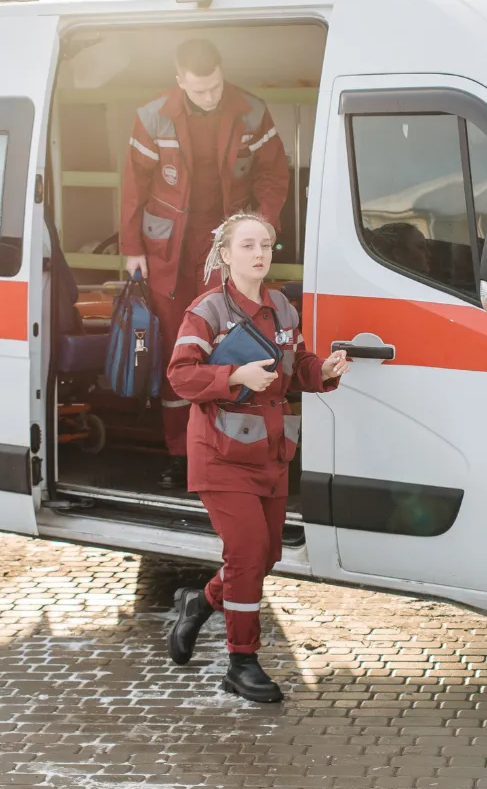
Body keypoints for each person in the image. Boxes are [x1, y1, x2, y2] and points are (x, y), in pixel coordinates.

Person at [164, 211, 349, 702]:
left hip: (270, 450)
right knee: (246, 553)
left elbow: (297, 367)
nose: (259, 253)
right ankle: (241, 661)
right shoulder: (205, 311)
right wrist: (234, 378)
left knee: (265, 555)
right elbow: (181, 376)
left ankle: (201, 603)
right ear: (225, 255)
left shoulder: (284, 308)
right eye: (247, 245)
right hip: (221, 454)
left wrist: (323, 369)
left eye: (266, 244)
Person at [119, 39, 290, 490]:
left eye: (215, 87)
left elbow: (274, 174)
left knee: (229, 346)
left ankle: (229, 451)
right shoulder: (152, 114)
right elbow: (133, 185)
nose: (211, 97)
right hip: (168, 251)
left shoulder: (251, 111)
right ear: (180, 81)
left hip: (228, 244)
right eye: (200, 91)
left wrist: (263, 230)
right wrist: (132, 247)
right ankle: (181, 452)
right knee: (181, 351)